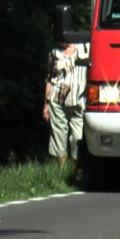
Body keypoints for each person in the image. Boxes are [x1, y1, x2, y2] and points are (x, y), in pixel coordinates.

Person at [43, 41, 89, 169]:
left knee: (77, 136)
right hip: (57, 99)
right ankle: (61, 169)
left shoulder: (85, 48)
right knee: (59, 134)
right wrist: (46, 105)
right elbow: (49, 79)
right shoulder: (54, 54)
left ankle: (75, 169)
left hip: (78, 100)